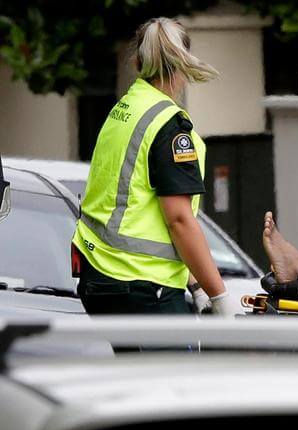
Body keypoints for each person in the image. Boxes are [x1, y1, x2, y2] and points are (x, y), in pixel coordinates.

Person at [71, 17, 238, 315]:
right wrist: (219, 296)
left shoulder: (124, 110)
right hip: (142, 285)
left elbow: (140, 212)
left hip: (98, 276)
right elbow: (178, 220)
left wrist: (195, 283)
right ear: (183, 66)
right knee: (178, 365)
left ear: (137, 62)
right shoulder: (170, 127)